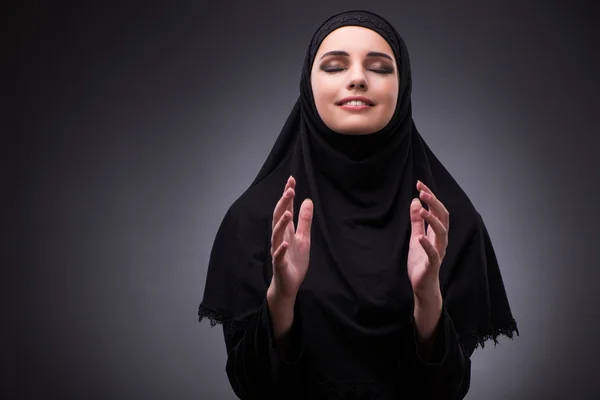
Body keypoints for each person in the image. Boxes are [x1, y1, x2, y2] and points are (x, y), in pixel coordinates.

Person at [198, 9, 518, 400]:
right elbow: (252, 387)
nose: (357, 78)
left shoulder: (445, 225)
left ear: (403, 86)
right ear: (307, 84)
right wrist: (280, 298)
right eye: (334, 66)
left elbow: (446, 391)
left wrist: (427, 297)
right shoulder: (257, 221)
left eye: (380, 67)